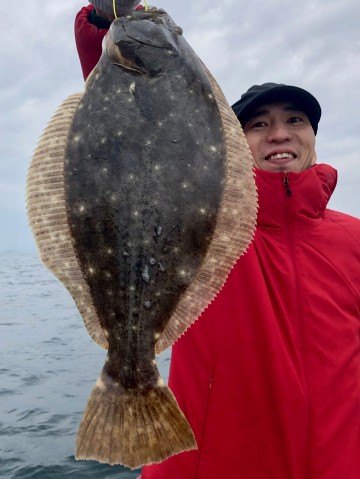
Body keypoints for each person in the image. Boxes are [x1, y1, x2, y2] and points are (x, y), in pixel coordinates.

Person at [74, 7, 360, 477]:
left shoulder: (352, 239)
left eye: (295, 120)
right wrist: (109, 22)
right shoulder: (210, 227)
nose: (280, 134)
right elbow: (134, 131)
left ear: (313, 137)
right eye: (259, 125)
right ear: (232, 140)